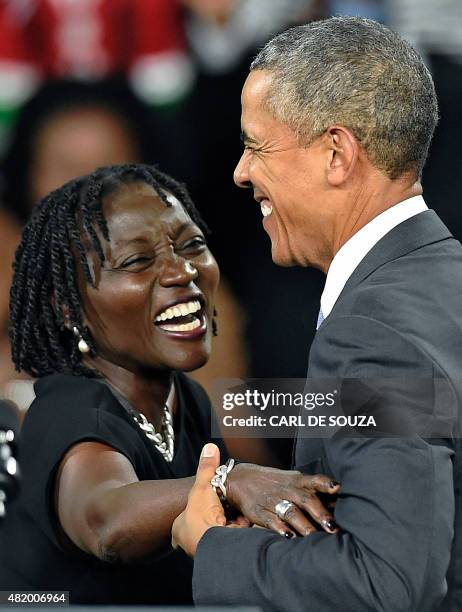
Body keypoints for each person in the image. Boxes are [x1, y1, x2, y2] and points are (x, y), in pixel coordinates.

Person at [172, 17, 462, 612]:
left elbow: (386, 583)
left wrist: (213, 546)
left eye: (256, 146)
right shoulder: (443, 276)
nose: (241, 172)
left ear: (337, 154)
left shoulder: (371, 332)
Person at [0, 163, 340, 604]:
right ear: (70, 307)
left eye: (192, 244)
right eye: (138, 261)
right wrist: (230, 481)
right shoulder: (71, 408)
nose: (182, 271)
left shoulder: (186, 400)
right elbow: (107, 520)